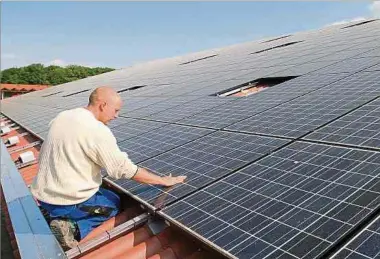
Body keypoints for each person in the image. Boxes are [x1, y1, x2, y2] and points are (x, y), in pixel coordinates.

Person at [30, 87, 186, 250]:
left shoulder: (64, 116)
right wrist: (162, 180)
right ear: (103, 105)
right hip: (64, 200)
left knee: (107, 194)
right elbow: (123, 169)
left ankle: (51, 213)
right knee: (113, 204)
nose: (117, 116)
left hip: (43, 194)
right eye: (116, 110)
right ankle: (71, 228)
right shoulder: (96, 131)